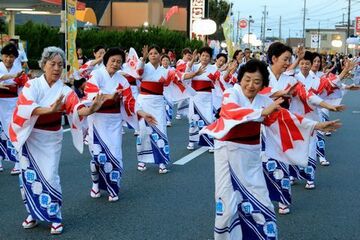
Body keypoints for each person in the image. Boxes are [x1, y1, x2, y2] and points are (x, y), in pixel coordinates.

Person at [200, 59, 340, 240]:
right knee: (227, 203)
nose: (251, 85)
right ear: (240, 79)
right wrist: (261, 113)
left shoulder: (264, 101)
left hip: (251, 153)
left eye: (257, 82)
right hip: (228, 152)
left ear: (262, 85)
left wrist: (317, 125)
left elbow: (286, 118)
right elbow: (229, 112)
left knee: (262, 199)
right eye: (247, 79)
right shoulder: (230, 94)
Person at [9, 46, 106, 235]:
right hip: (31, 136)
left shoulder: (65, 90)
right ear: (43, 65)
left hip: (51, 137)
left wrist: (91, 110)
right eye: (52, 64)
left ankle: (55, 216)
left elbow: (76, 109)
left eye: (60, 65)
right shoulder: (32, 85)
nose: (56, 68)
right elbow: (25, 106)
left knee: (50, 176)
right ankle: (33, 213)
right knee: (28, 176)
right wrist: (49, 110)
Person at [84, 47, 157, 201]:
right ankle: (96, 184)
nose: (116, 64)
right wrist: (110, 96)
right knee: (97, 156)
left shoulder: (122, 80)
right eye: (113, 60)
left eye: (119, 61)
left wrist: (143, 113)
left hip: (114, 121)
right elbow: (91, 94)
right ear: (107, 61)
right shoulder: (96, 75)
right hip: (97, 120)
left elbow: (130, 102)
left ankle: (113, 188)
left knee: (115, 153)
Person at [136, 45, 200, 173]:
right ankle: (142, 160)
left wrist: (195, 73)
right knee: (143, 131)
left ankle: (161, 162)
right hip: (143, 102)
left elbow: (180, 76)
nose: (153, 55)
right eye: (151, 53)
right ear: (148, 56)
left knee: (161, 129)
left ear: (160, 55)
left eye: (155, 53)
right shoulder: (145, 67)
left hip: (158, 102)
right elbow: (138, 73)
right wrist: (142, 60)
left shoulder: (166, 71)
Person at [0, 43, 27, 174]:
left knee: (13, 132)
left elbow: (24, 88)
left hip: (12, 103)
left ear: (15, 57)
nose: (8, 59)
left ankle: (17, 161)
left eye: (11, 56)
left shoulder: (19, 70)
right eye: (6, 56)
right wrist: (12, 76)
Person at [186, 46, 219, 152]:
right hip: (195, 96)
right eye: (203, 55)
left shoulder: (213, 68)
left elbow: (216, 82)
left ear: (210, 58)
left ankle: (209, 143)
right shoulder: (195, 67)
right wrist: (192, 61)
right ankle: (192, 141)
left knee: (208, 119)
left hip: (207, 97)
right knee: (193, 119)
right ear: (199, 56)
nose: (205, 58)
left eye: (207, 56)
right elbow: (187, 72)